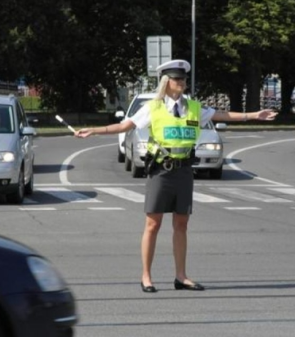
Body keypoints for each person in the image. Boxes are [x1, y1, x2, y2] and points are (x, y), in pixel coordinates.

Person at [74, 59, 277, 293]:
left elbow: (222, 115)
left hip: (183, 171)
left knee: (182, 224)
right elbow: (124, 126)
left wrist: (254, 115)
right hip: (161, 170)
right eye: (177, 79)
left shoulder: (193, 107)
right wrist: (94, 130)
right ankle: (146, 276)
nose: (181, 83)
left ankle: (181, 276)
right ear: (166, 82)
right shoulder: (153, 108)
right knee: (153, 224)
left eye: (183, 79)